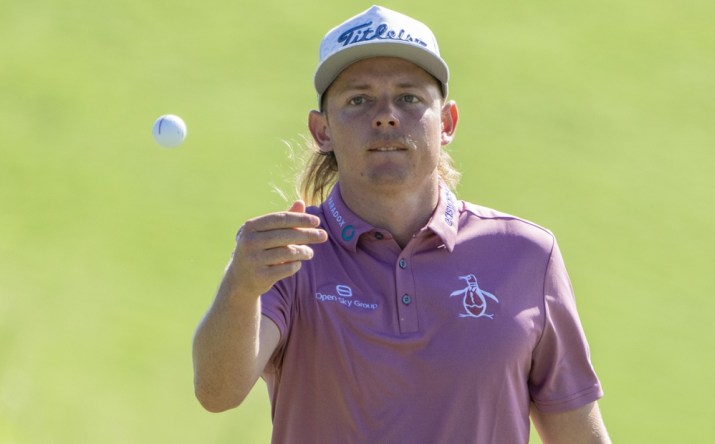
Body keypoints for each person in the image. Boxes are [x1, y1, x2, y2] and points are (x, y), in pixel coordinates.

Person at [192, 5, 611, 443]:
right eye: (358, 100)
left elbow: (576, 433)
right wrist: (239, 288)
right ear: (322, 131)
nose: (386, 116)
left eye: (409, 97)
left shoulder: (526, 254)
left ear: (446, 122)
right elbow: (217, 393)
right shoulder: (288, 254)